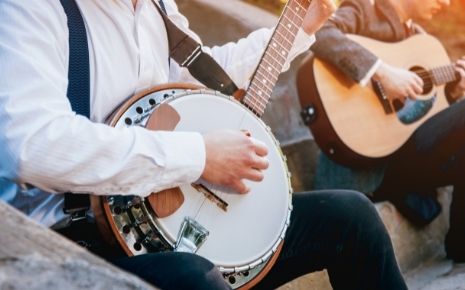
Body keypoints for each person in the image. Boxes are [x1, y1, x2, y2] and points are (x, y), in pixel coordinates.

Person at [0, 0, 407, 289]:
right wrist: (200, 157)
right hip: (76, 240)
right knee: (194, 276)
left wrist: (301, 28)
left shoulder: (155, 8)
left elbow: (210, 74)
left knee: (351, 216)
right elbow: (31, 144)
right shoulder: (33, 8)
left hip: (177, 212)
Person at [306, 0, 465, 262]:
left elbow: (429, 113)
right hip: (365, 158)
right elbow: (318, 33)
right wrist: (381, 72)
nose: (446, 3)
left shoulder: (421, 40)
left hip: (406, 156)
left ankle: (461, 245)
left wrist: (454, 92)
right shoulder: (363, 9)